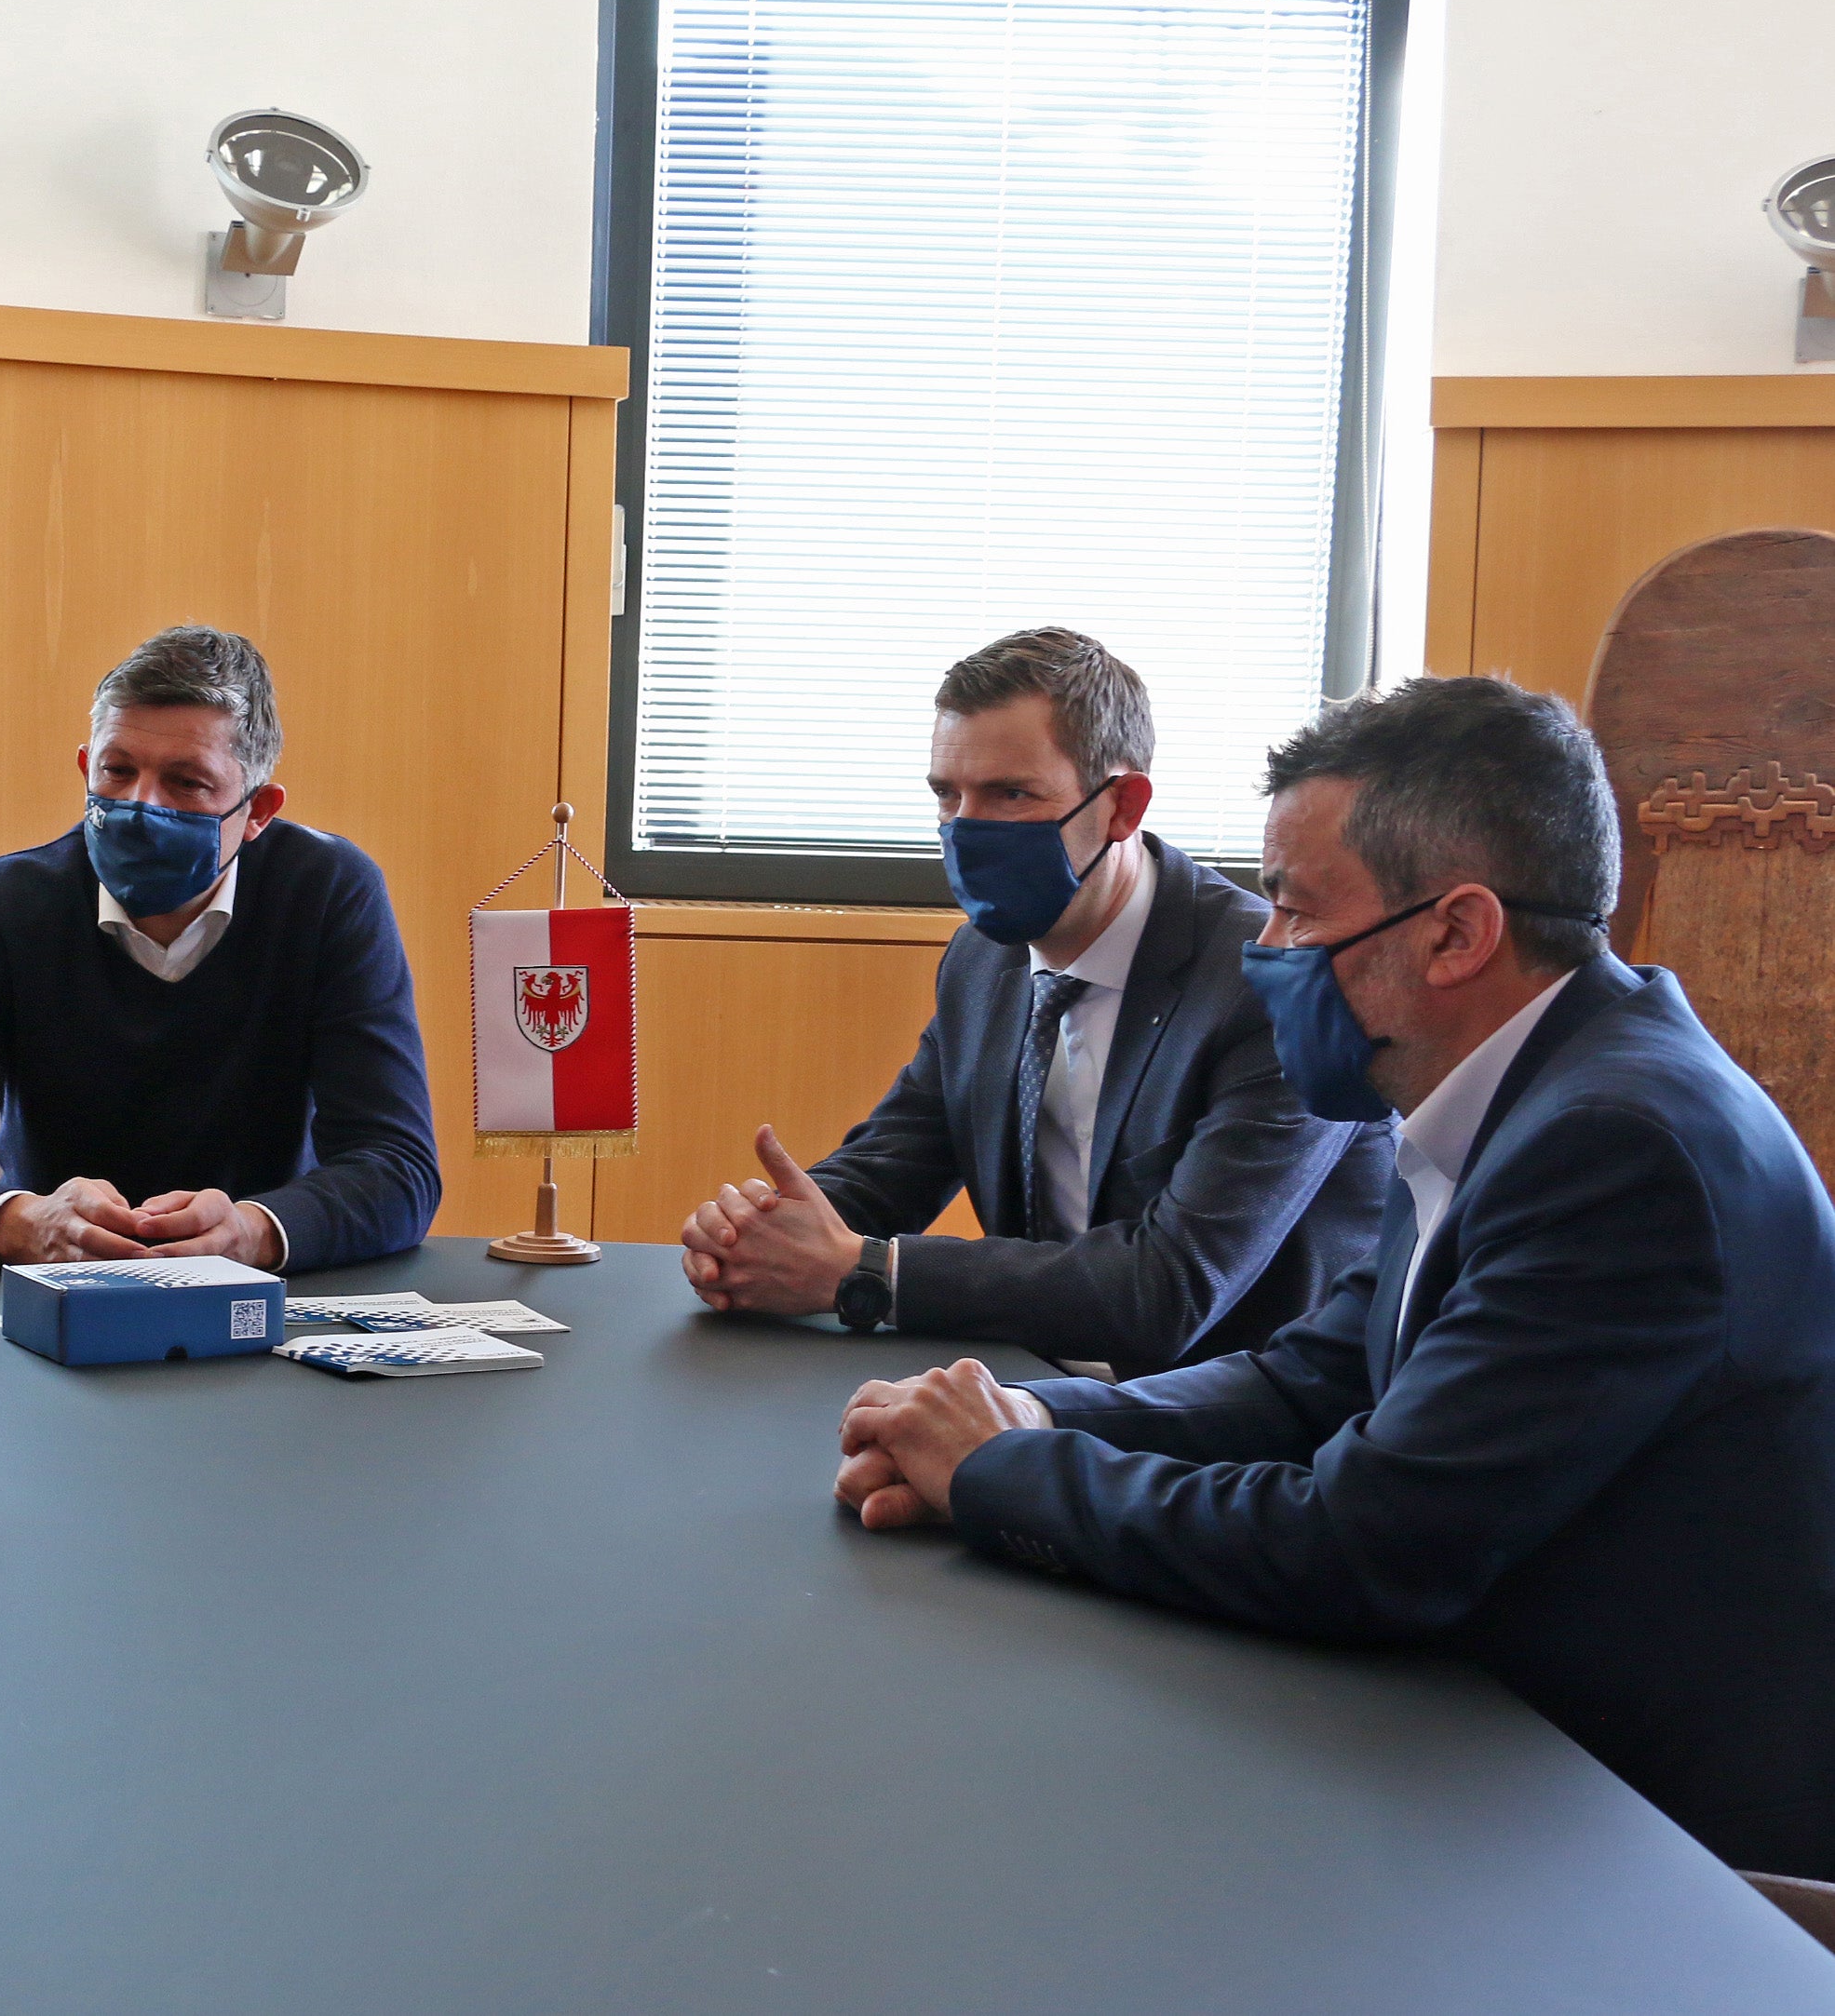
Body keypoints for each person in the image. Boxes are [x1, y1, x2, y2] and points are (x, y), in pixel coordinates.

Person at [835, 676, 1835, 1876]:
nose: (1263, 955)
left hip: (1643, 1838)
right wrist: (1034, 1409)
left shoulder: (1618, 1149)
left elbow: (1364, 1542)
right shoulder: (1528, 1086)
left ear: (1456, 931)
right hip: (1489, 1743)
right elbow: (1314, 1377)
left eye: (1297, 916)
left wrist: (1007, 1471)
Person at [681, 627, 1389, 1377]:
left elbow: (1170, 1290)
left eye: (1010, 794)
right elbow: (896, 1165)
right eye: (947, 795)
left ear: (1123, 807)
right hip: (1031, 1389)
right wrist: (760, 1234)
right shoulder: (981, 962)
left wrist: (870, 1274)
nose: (965, 828)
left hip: (1236, 1425)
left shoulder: (1275, 979)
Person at [0, 625, 440, 1272]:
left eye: (187, 783)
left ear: (258, 812)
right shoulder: (4, 906)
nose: (141, 805)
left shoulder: (327, 893)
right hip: (51, 1296)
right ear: (88, 768)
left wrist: (251, 1234)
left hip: (267, 1302)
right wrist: (24, 1223)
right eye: (119, 771)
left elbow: (398, 1170)